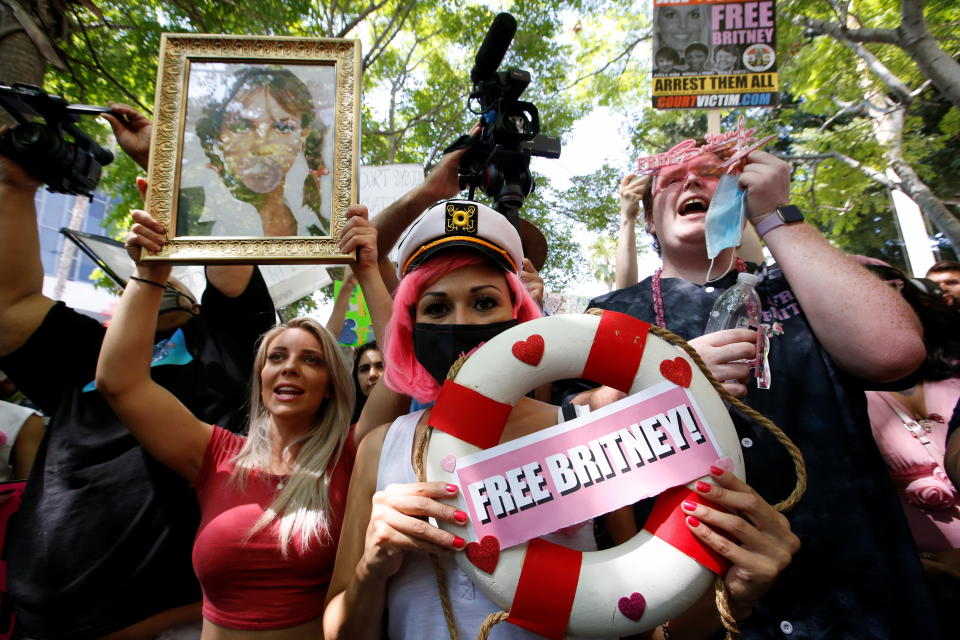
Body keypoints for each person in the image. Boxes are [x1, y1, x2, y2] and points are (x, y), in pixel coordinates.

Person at [323, 199, 798, 640]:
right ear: (411, 326)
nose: (460, 323)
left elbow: (642, 621)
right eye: (437, 307)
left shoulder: (586, 435)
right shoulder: (381, 448)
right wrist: (372, 566)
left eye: (485, 301)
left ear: (520, 313)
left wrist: (736, 594)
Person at [581, 137, 939, 638]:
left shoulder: (799, 286)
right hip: (702, 613)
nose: (690, 180)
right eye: (669, 179)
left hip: (858, 602)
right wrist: (664, 379)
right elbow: (574, 442)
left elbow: (895, 352)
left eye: (711, 172)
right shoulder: (609, 314)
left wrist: (775, 215)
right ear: (648, 220)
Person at [0, 116, 277, 638]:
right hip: (51, 623)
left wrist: (168, 158)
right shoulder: (92, 351)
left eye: (175, 275)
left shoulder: (232, 341)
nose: (165, 275)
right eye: (155, 275)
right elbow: (10, 306)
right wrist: (16, 180)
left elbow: (227, 238)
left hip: (175, 619)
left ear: (198, 304)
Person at [94, 198, 385, 636]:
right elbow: (119, 382)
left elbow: (405, 372)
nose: (290, 367)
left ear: (330, 385)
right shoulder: (213, 454)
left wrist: (368, 271)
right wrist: (151, 273)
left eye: (311, 359)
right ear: (261, 377)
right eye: (277, 357)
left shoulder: (352, 452)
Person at [189, 65, 330, 237]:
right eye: (241, 126)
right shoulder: (187, 219)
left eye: (282, 127)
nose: (261, 145)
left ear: (302, 136)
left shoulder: (321, 229)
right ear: (219, 136)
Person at [351, 341, 384, 424]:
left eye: (381, 366)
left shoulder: (416, 415)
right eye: (364, 369)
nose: (372, 374)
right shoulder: (345, 430)